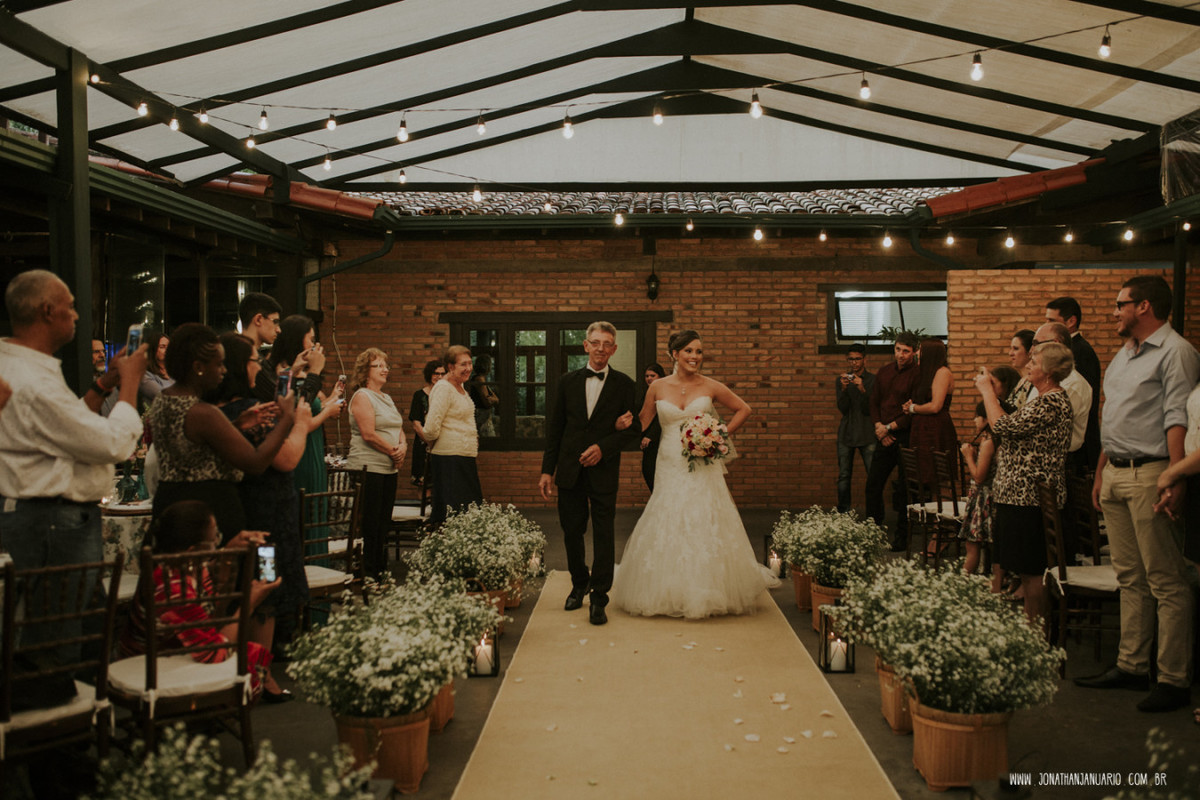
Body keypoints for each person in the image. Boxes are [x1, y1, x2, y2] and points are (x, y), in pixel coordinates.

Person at [0, 270, 145, 661]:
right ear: (47, 311)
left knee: (80, 627)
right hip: (53, 518)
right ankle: (57, 715)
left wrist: (104, 385)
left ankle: (79, 708)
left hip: (49, 517)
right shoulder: (33, 380)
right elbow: (111, 443)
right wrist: (130, 384)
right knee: (57, 640)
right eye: (71, 307)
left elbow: (64, 433)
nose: (77, 316)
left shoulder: (20, 366)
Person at [1076, 276, 1200, 714]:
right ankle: (1130, 666)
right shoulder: (1124, 354)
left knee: (1166, 580)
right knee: (1130, 577)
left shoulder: (1177, 353)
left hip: (1152, 473)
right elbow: (1114, 415)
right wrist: (1101, 471)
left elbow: (1177, 418)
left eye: (1120, 304)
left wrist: (1173, 477)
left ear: (1144, 307)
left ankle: (1172, 678)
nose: (1114, 312)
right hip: (1116, 473)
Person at [612, 330, 778, 619]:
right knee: (668, 512)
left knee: (704, 514)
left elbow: (743, 409)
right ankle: (667, 586)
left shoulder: (710, 385)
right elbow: (643, 422)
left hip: (701, 461)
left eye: (699, 352)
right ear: (674, 354)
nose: (695, 357)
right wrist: (619, 425)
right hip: (668, 460)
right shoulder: (658, 387)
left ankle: (709, 586)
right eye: (689, 351)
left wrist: (717, 434)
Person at [216, 332, 311, 693]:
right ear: (242, 367)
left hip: (245, 509)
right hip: (265, 517)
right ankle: (261, 673)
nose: (260, 365)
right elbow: (286, 459)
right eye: (255, 359)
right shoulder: (248, 412)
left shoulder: (222, 410)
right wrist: (299, 423)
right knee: (265, 590)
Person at [147, 323, 295, 543]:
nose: (224, 371)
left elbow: (191, 450)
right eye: (218, 365)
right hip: (206, 511)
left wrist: (234, 425)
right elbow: (255, 463)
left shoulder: (164, 399)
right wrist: (287, 420)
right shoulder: (202, 413)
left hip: (171, 503)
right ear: (198, 367)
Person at [118, 500, 281, 697]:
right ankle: (204, 711)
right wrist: (249, 604)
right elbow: (214, 652)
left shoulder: (186, 566)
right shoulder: (174, 586)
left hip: (176, 651)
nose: (217, 546)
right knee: (251, 656)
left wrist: (229, 553)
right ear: (193, 551)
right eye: (214, 540)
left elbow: (213, 615)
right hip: (152, 665)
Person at [539, 321, 640, 626]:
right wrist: (547, 470)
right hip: (569, 470)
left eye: (606, 343)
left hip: (604, 470)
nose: (600, 349)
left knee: (605, 533)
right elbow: (554, 430)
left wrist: (604, 447)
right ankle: (579, 582)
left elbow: (634, 429)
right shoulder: (566, 382)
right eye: (595, 343)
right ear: (585, 346)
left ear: (614, 349)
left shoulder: (625, 385)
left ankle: (599, 596)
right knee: (571, 530)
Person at [975, 342, 1074, 626]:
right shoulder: (1040, 399)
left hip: (1029, 499)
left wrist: (986, 392)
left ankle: (1036, 635)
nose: (1028, 365)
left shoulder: (1052, 401)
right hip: (1018, 498)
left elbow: (1003, 427)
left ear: (1050, 370)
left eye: (1035, 361)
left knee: (1033, 571)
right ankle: (1031, 630)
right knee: (1024, 570)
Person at [346, 347, 406, 576]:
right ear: (365, 371)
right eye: (378, 366)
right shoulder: (362, 396)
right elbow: (368, 433)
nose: (385, 369)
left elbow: (398, 427)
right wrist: (394, 452)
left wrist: (403, 446)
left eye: (385, 365)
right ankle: (368, 573)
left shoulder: (387, 398)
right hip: (367, 467)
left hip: (388, 469)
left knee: (384, 523)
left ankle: (380, 570)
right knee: (370, 524)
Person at [271, 316, 344, 500]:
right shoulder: (282, 372)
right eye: (311, 340)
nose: (314, 345)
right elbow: (301, 417)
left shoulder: (295, 371)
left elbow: (309, 407)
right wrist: (328, 410)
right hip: (300, 448)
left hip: (314, 445)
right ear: (296, 340)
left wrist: (332, 399)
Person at [958, 365, 1019, 577]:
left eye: (977, 417)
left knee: (973, 545)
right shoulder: (991, 440)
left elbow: (979, 476)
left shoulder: (988, 443)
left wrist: (968, 457)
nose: (974, 421)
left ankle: (963, 582)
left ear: (986, 420)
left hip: (984, 499)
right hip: (986, 498)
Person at [864, 332, 920, 551]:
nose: (901, 355)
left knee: (905, 490)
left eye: (906, 351)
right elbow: (874, 401)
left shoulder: (918, 374)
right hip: (883, 434)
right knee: (873, 485)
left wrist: (889, 429)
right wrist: (879, 427)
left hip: (904, 435)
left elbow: (912, 410)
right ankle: (872, 532)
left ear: (914, 352)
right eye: (898, 349)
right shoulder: (885, 371)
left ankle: (901, 537)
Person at [424, 345, 484, 526]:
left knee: (469, 510)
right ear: (450, 367)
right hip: (449, 458)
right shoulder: (443, 388)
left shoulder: (461, 388)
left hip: (464, 456)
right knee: (453, 512)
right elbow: (431, 427)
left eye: (470, 363)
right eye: (463, 364)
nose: (468, 368)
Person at [1045, 297, 1101, 474]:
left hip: (1077, 448)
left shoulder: (1079, 352)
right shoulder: (1071, 350)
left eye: (1052, 321)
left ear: (1071, 321)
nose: (1047, 326)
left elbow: (1077, 399)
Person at [902, 338, 957, 485]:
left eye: (921, 350)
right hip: (922, 428)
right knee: (921, 473)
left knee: (936, 474)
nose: (918, 353)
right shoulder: (926, 373)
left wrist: (914, 408)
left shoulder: (942, 372)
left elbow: (935, 406)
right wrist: (910, 405)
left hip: (935, 428)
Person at [835, 345, 876, 512]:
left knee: (873, 476)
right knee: (844, 476)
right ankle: (843, 513)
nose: (854, 363)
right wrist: (844, 389)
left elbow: (870, 409)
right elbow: (842, 408)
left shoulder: (873, 380)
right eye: (851, 359)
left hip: (867, 432)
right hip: (847, 432)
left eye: (857, 359)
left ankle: (874, 515)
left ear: (865, 360)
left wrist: (862, 388)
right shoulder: (842, 380)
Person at [236, 291, 284, 402]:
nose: (278, 329)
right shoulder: (246, 358)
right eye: (275, 322)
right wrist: (314, 371)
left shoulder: (249, 355)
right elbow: (280, 400)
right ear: (258, 319)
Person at [409, 359, 446, 486]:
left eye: (442, 374)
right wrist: (430, 442)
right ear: (429, 374)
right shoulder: (419, 395)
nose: (439, 377)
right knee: (423, 484)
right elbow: (416, 424)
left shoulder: (448, 395)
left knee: (442, 484)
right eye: (436, 373)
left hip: (443, 446)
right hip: (423, 446)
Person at [639, 363, 666, 491]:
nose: (649, 378)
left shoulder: (665, 393)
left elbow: (662, 417)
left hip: (661, 437)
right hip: (647, 440)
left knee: (656, 470)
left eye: (652, 375)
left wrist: (650, 436)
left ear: (660, 377)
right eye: (647, 376)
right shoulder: (644, 393)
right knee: (648, 470)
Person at [467, 353, 500, 436]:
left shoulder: (482, 379)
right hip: (481, 417)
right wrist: (494, 399)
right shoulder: (479, 379)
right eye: (490, 364)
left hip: (483, 417)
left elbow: (495, 399)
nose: (491, 367)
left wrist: (494, 399)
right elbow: (488, 402)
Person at [1007, 330, 1035, 409]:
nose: (1010, 353)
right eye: (1011, 348)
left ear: (1029, 352)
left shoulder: (1032, 382)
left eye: (1015, 349)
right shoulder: (1022, 380)